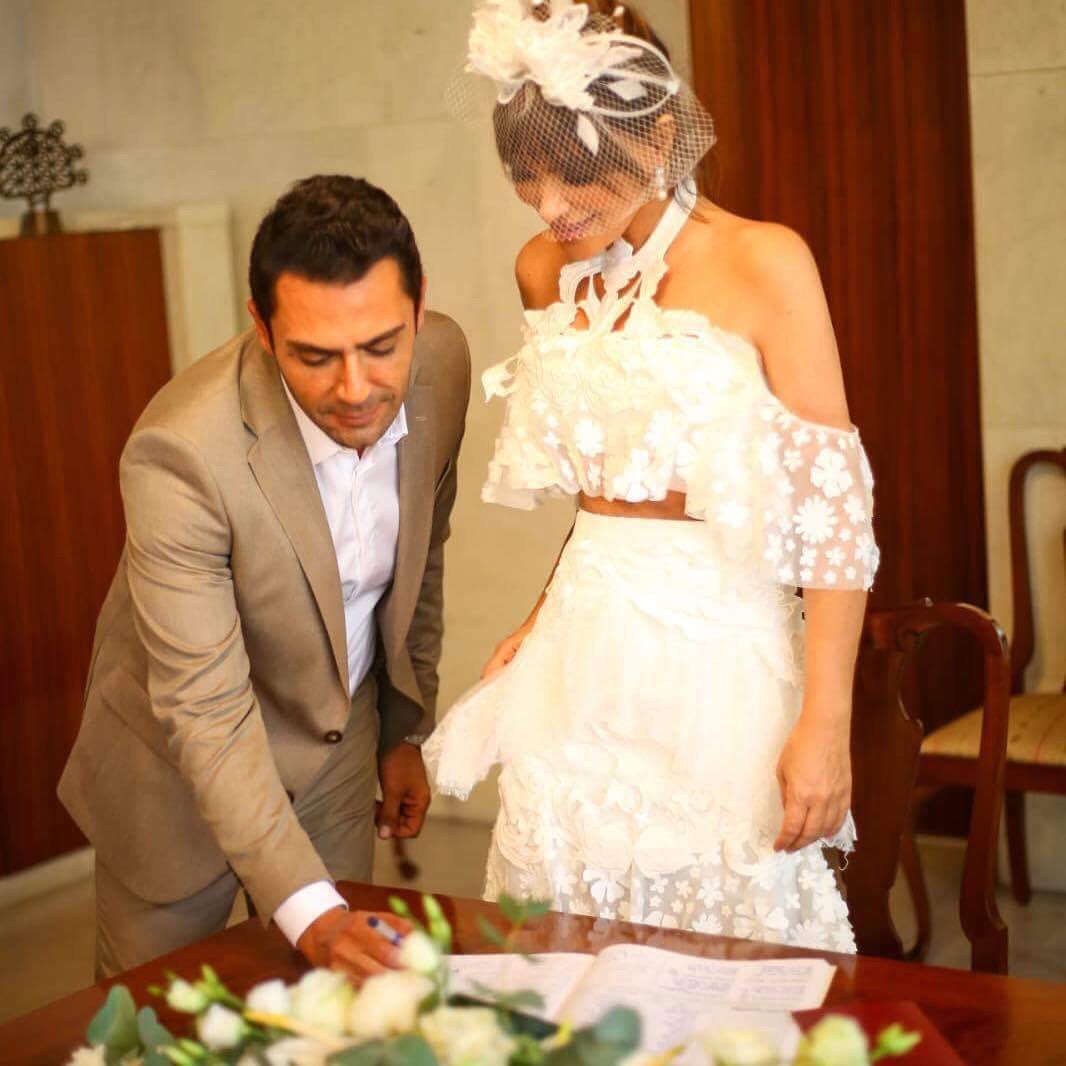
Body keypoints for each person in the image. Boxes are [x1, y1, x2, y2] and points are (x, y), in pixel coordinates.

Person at [424, 0, 879, 952]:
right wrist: (539, 615)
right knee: (564, 929)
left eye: (575, 172)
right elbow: (607, 489)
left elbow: (834, 517)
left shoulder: (765, 262)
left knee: (729, 938)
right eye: (527, 174)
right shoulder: (543, 271)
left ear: (660, 136)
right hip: (581, 653)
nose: (550, 205)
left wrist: (826, 722)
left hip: (718, 657)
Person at [59, 175, 471, 979]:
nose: (356, 389)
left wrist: (402, 729)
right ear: (263, 328)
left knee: (333, 1005)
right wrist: (312, 914)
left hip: (335, 750)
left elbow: (424, 554)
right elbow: (206, 711)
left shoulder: (442, 364)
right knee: (159, 1019)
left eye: (380, 346)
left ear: (419, 309)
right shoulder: (181, 454)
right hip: (174, 780)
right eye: (315, 357)